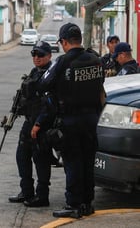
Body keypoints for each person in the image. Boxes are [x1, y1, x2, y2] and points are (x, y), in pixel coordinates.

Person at [38, 23, 104, 218]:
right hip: (92, 119)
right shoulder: (96, 60)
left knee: (73, 162)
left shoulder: (62, 62)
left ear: (64, 42)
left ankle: (74, 204)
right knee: (87, 161)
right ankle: (87, 203)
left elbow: (43, 84)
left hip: (70, 119)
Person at [8, 41, 55, 207]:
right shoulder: (35, 72)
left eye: (40, 55)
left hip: (42, 125)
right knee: (22, 156)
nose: (36, 58)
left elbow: (50, 103)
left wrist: (39, 123)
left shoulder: (51, 73)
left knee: (41, 159)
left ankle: (42, 196)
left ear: (49, 56)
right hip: (29, 122)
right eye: (34, 54)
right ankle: (26, 191)